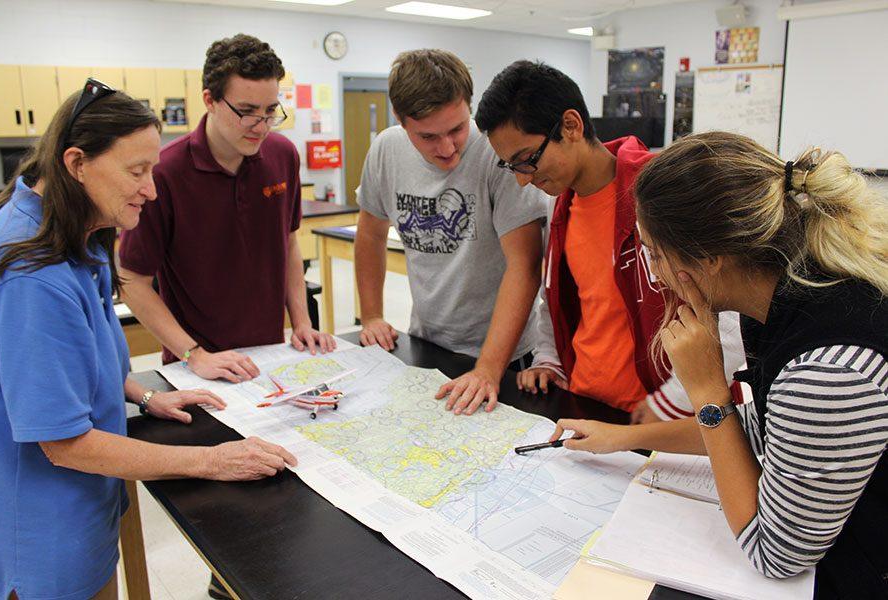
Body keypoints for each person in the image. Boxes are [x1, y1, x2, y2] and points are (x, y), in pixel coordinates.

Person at [0, 81, 296, 600]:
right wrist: (212, 461)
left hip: (81, 510)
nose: (151, 190)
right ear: (76, 163)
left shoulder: (70, 231)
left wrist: (143, 394)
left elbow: (70, 359)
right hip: (42, 533)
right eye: (137, 171)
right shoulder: (32, 276)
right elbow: (62, 441)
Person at [550, 132, 888, 597]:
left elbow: (776, 553)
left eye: (654, 254)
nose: (655, 274)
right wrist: (624, 438)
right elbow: (767, 429)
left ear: (709, 259)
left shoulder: (827, 372)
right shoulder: (789, 291)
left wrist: (707, 389)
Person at [475, 60, 746, 423]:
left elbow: (730, 314)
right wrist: (549, 361)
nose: (523, 181)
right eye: (512, 167)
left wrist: (671, 402)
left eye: (527, 161)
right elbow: (556, 298)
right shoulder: (561, 204)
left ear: (571, 126)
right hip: (586, 407)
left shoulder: (661, 196)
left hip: (665, 417)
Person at [119, 34, 334, 386]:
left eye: (270, 111)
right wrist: (194, 355)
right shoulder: (165, 173)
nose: (261, 126)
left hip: (269, 356)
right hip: (198, 366)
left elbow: (289, 243)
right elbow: (132, 281)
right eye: (247, 112)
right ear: (211, 100)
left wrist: (302, 323)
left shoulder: (282, 156)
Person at [354, 49, 548, 416]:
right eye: (428, 136)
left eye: (457, 129)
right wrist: (372, 316)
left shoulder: (496, 153)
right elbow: (370, 234)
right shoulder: (386, 149)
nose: (447, 149)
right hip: (426, 344)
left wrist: (488, 369)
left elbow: (524, 266)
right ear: (400, 119)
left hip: (503, 357)